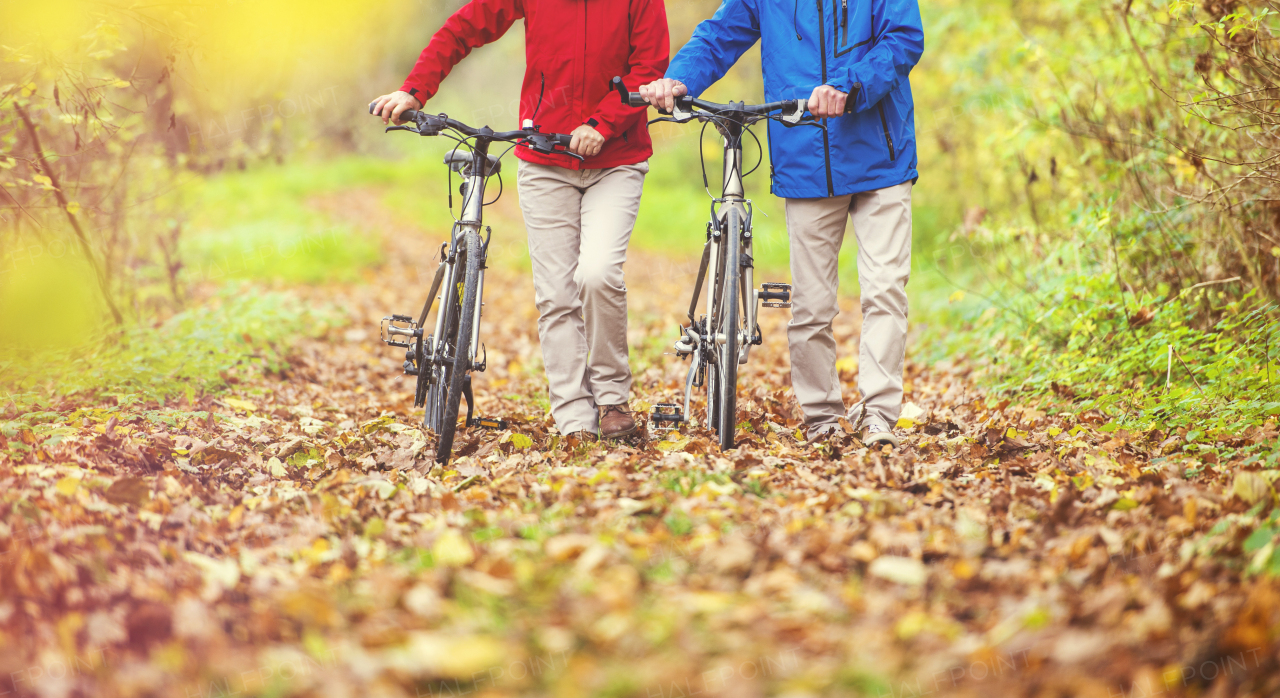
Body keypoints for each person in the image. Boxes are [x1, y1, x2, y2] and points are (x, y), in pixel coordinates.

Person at [371, 0, 670, 443]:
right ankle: (574, 419)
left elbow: (648, 66)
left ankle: (611, 398)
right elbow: (464, 28)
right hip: (545, 158)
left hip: (616, 159)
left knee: (599, 273)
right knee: (556, 295)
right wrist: (416, 89)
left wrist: (601, 124)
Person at [639, 0, 923, 449]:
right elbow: (720, 34)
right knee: (811, 305)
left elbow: (904, 39)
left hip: (881, 157)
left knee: (885, 289)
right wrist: (680, 78)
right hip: (806, 158)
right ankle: (822, 415)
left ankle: (879, 414)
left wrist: (850, 86)